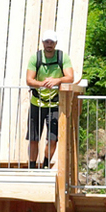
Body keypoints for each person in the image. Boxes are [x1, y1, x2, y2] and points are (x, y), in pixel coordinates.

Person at [24, 30, 73, 169]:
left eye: (51, 42)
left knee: (53, 138)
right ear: (43, 43)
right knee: (33, 138)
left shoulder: (62, 57)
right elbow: (29, 79)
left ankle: (45, 164)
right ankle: (32, 167)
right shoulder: (36, 58)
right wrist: (42, 84)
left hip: (55, 104)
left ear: (56, 43)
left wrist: (57, 80)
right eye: (46, 42)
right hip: (37, 103)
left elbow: (70, 77)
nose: (49, 45)